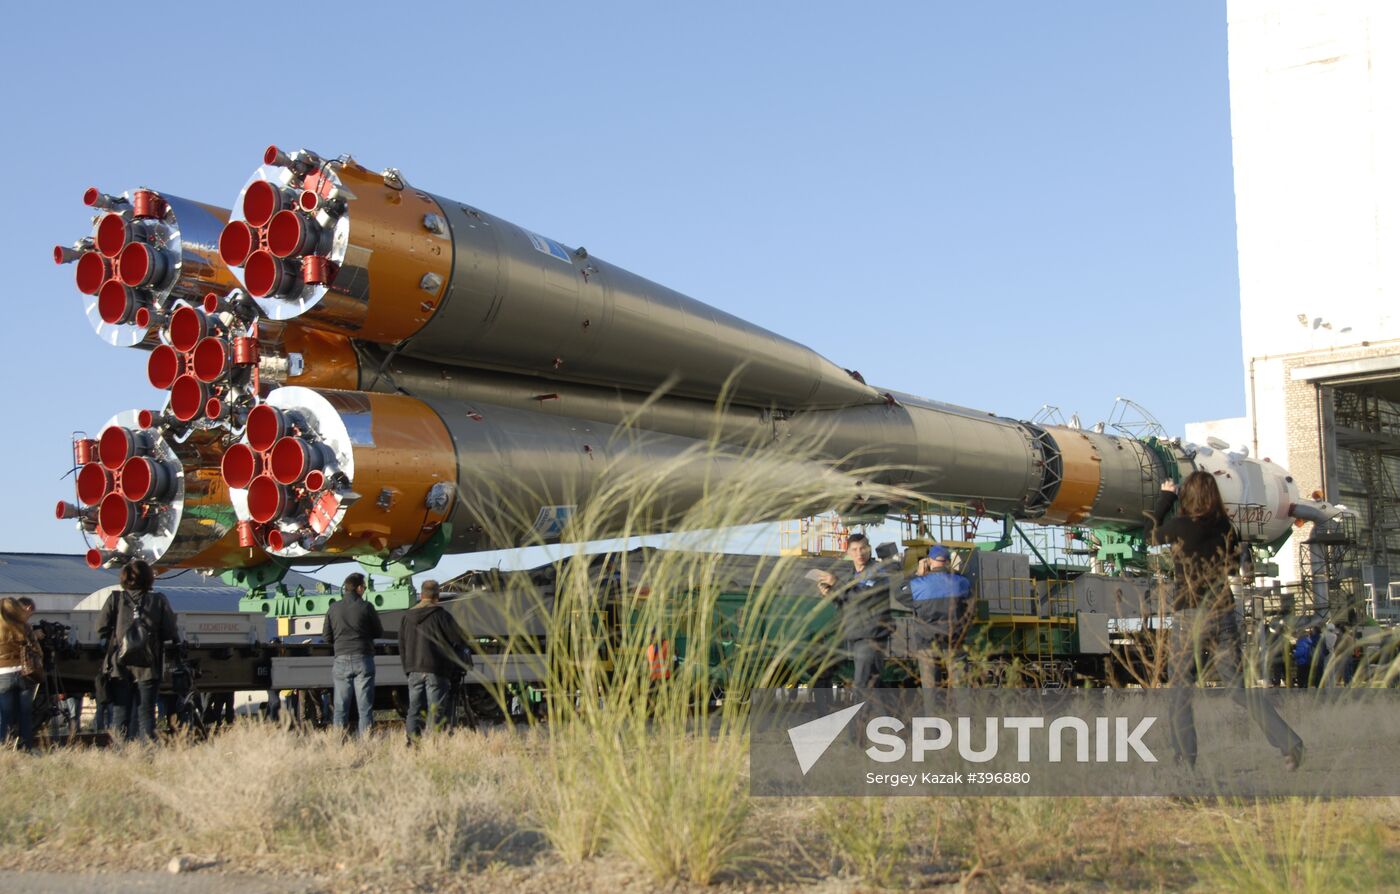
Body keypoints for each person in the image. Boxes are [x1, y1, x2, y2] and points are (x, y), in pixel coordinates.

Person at [1147, 473, 1304, 770]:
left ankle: (1184, 762)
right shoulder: (1226, 528)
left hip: (1190, 614)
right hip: (1222, 611)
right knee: (1237, 687)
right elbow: (1232, 567)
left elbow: (1150, 535)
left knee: (1180, 689)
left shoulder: (1180, 526)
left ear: (1186, 497)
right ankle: (1289, 744)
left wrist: (1166, 496)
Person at [97, 560, 180, 743]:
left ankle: (120, 751)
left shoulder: (115, 599)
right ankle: (147, 751)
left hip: (119, 666)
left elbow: (100, 629)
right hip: (148, 666)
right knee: (146, 715)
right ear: (149, 578)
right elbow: (169, 632)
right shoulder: (158, 600)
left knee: (120, 715)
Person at [817, 533, 893, 689]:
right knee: (872, 686)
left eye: (863, 548)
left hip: (872, 636)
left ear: (869, 549)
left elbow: (863, 599)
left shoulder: (878, 573)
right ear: (848, 552)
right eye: (855, 549)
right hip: (857, 635)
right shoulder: (852, 577)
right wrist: (832, 595)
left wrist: (837, 584)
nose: (859, 553)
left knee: (863, 686)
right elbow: (848, 605)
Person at [398, 580, 471, 741]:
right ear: (437, 596)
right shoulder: (442, 616)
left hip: (414, 669)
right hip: (437, 669)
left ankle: (412, 743)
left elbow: (402, 645)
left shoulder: (406, 617)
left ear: (422, 595)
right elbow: (460, 639)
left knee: (414, 710)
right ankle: (433, 743)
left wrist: (407, 669)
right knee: (436, 710)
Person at [325, 573, 382, 738]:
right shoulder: (367, 607)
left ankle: (338, 742)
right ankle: (366, 742)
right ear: (359, 588)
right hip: (363, 658)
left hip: (341, 659)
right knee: (365, 709)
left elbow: (327, 636)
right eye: (364, 586)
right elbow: (378, 632)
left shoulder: (333, 608)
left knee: (340, 707)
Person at [907, 545, 973, 688]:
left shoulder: (917, 584)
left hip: (927, 641)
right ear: (948, 561)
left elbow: (899, 594)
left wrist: (918, 574)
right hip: (954, 639)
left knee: (931, 689)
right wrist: (956, 571)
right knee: (961, 686)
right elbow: (970, 607)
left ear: (929, 561)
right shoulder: (961, 582)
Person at [0, 596, 40, 751]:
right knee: (25, 714)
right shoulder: (25, 627)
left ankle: (5, 748)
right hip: (25, 673)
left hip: (3, 675)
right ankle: (25, 748)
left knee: (6, 715)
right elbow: (37, 650)